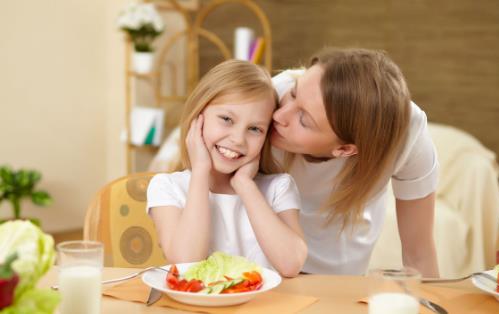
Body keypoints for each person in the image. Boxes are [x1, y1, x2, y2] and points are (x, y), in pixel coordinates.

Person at [270, 47, 440, 277]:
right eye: (293, 93)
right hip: (264, 269)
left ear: (345, 149)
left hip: (342, 278)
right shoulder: (267, 97)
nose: (278, 116)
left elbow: (419, 253)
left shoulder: (407, 134)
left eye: (303, 119)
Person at [146, 59, 307, 277]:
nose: (238, 139)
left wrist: (245, 186)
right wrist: (200, 171)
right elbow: (186, 263)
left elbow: (291, 264)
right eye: (226, 119)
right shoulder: (167, 187)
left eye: (254, 129)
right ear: (197, 117)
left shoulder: (278, 187)